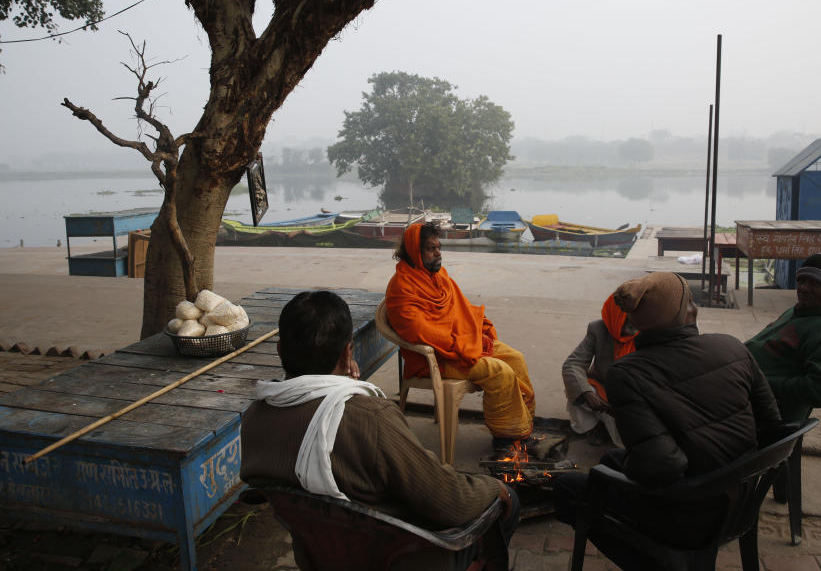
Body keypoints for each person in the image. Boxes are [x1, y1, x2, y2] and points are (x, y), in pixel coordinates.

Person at [240, 290, 517, 568]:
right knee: (507, 500)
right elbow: (452, 502)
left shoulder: (255, 418)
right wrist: (495, 488)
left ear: (279, 351)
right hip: (402, 558)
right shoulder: (371, 419)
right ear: (348, 351)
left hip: (320, 557)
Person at [554, 272, 782, 568]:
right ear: (691, 311)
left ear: (637, 322)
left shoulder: (628, 373)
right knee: (611, 459)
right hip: (741, 500)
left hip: (688, 514)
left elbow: (662, 468)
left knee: (567, 489)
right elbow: (772, 424)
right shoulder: (732, 346)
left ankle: (661, 562)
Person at [385, 222, 536, 451]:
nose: (438, 253)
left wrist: (475, 331)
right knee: (499, 372)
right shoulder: (401, 287)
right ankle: (506, 440)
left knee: (515, 358)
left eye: (439, 247)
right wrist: (464, 344)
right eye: (431, 248)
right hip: (435, 360)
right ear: (415, 251)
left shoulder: (438, 276)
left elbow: (460, 309)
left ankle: (522, 427)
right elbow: (419, 331)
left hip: (459, 347)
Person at [745, 245, 821, 422]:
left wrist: (762, 384)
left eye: (815, 283)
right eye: (801, 281)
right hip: (746, 390)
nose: (804, 288)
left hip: (766, 413)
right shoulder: (799, 311)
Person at [561, 293, 638, 447]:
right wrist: (587, 393)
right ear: (614, 316)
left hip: (636, 396)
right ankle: (596, 427)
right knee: (576, 387)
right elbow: (573, 364)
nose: (633, 322)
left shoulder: (649, 331)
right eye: (627, 317)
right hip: (606, 389)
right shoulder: (598, 329)